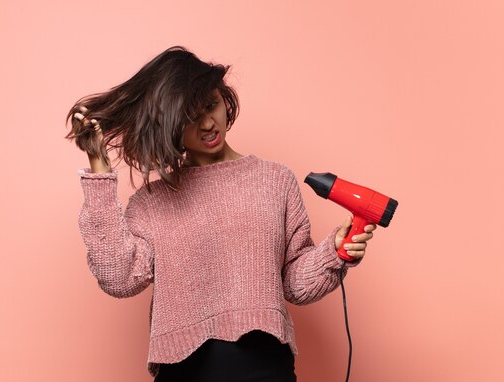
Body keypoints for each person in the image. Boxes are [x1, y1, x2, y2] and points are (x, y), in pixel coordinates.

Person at [65, 46, 376, 382]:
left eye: (211, 105)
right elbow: (119, 278)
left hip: (266, 367)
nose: (208, 123)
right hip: (185, 372)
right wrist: (99, 170)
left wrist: (334, 252)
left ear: (224, 99)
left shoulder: (273, 180)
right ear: (169, 124)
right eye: (190, 116)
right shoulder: (151, 201)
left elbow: (294, 284)